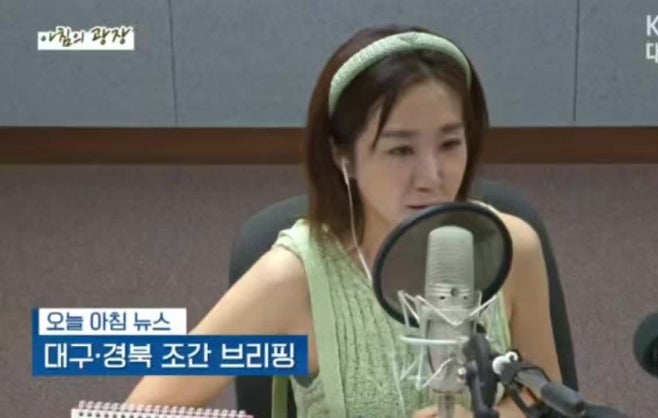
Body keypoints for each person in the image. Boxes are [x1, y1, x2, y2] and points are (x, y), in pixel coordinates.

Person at [126, 24, 562, 417]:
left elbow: (544, 397)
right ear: (344, 158)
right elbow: (140, 411)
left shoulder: (512, 247)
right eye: (400, 150)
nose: (432, 177)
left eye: (449, 144)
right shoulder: (293, 279)